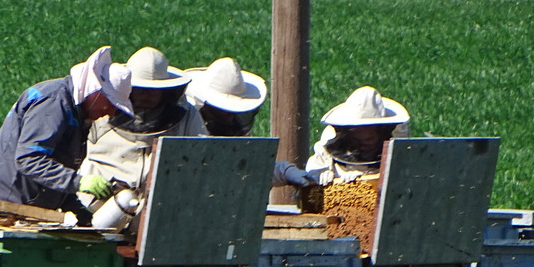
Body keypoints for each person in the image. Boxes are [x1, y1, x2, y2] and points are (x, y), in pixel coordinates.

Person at [0, 46, 133, 219]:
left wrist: (79, 212)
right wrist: (78, 182)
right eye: (110, 103)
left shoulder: (78, 115)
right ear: (95, 91)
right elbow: (29, 159)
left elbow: (56, 171)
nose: (111, 112)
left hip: (23, 210)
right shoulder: (53, 101)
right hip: (0, 209)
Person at [77, 47, 207, 198]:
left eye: (154, 89)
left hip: (163, 195)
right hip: (104, 196)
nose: (147, 94)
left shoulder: (187, 115)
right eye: (141, 88)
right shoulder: (103, 108)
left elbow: (203, 154)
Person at [183, 57, 321, 188]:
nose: (231, 116)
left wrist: (285, 171)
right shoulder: (187, 124)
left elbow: (247, 165)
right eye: (225, 110)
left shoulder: (234, 125)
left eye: (234, 110)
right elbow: (219, 167)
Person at [305, 86, 410, 183]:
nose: (364, 137)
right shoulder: (328, 148)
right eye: (357, 139)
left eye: (369, 138)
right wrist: (320, 175)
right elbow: (313, 169)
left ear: (382, 129)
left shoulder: (399, 146)